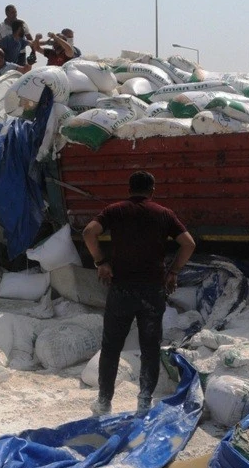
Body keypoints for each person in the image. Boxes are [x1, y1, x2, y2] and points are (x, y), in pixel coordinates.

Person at [82, 171, 196, 418]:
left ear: (129, 189)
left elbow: (88, 232)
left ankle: (104, 403)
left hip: (121, 289)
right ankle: (144, 402)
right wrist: (173, 271)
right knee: (150, 348)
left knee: (111, 347)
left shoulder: (115, 210)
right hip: (152, 292)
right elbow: (188, 243)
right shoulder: (164, 214)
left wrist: (101, 261)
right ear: (152, 190)